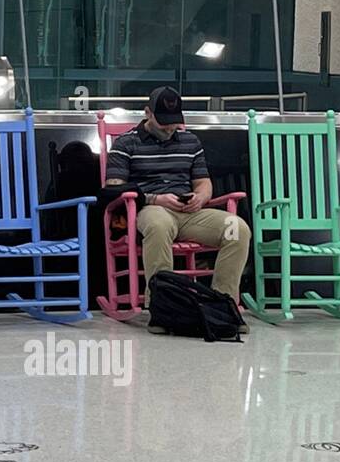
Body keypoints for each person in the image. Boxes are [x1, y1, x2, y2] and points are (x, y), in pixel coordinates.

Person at [104, 86, 250, 333]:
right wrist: (155, 199)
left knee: (236, 228)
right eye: (163, 124)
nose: (170, 128)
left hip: (190, 212)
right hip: (151, 208)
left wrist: (201, 197)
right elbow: (113, 189)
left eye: (173, 123)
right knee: (158, 226)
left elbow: (203, 182)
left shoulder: (190, 141)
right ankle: (163, 309)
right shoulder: (126, 142)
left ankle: (221, 307)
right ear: (148, 113)